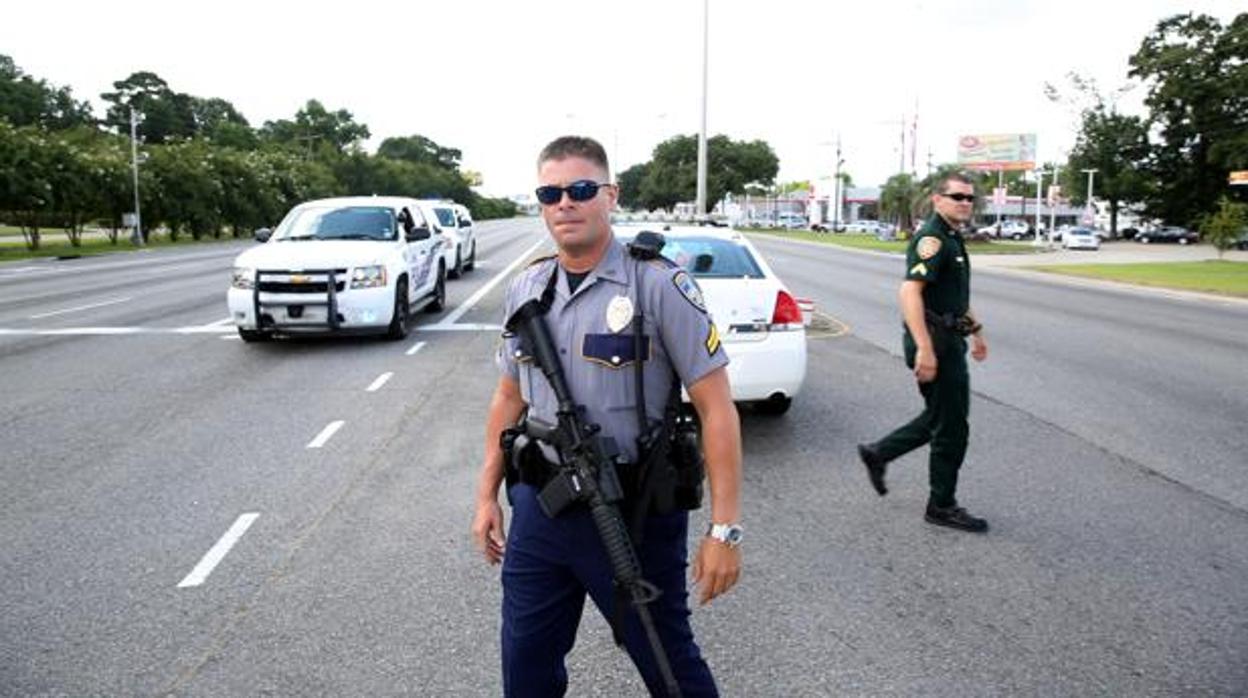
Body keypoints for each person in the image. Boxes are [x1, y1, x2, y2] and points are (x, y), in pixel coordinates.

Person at [471, 135, 743, 696]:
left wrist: (724, 530)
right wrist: (485, 497)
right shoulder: (528, 288)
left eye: (580, 189)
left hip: (632, 514)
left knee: (670, 667)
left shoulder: (659, 285)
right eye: (551, 192)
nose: (564, 203)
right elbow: (507, 397)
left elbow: (717, 408)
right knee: (525, 668)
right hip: (541, 512)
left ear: (610, 195)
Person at [857, 171, 990, 532]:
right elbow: (909, 292)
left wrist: (976, 332)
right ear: (938, 199)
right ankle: (941, 505)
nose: (965, 203)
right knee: (952, 428)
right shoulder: (932, 238)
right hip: (935, 343)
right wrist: (926, 351)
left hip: (949, 339)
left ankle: (879, 452)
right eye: (957, 197)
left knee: (941, 418)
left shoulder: (951, 236)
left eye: (969, 198)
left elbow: (954, 298)